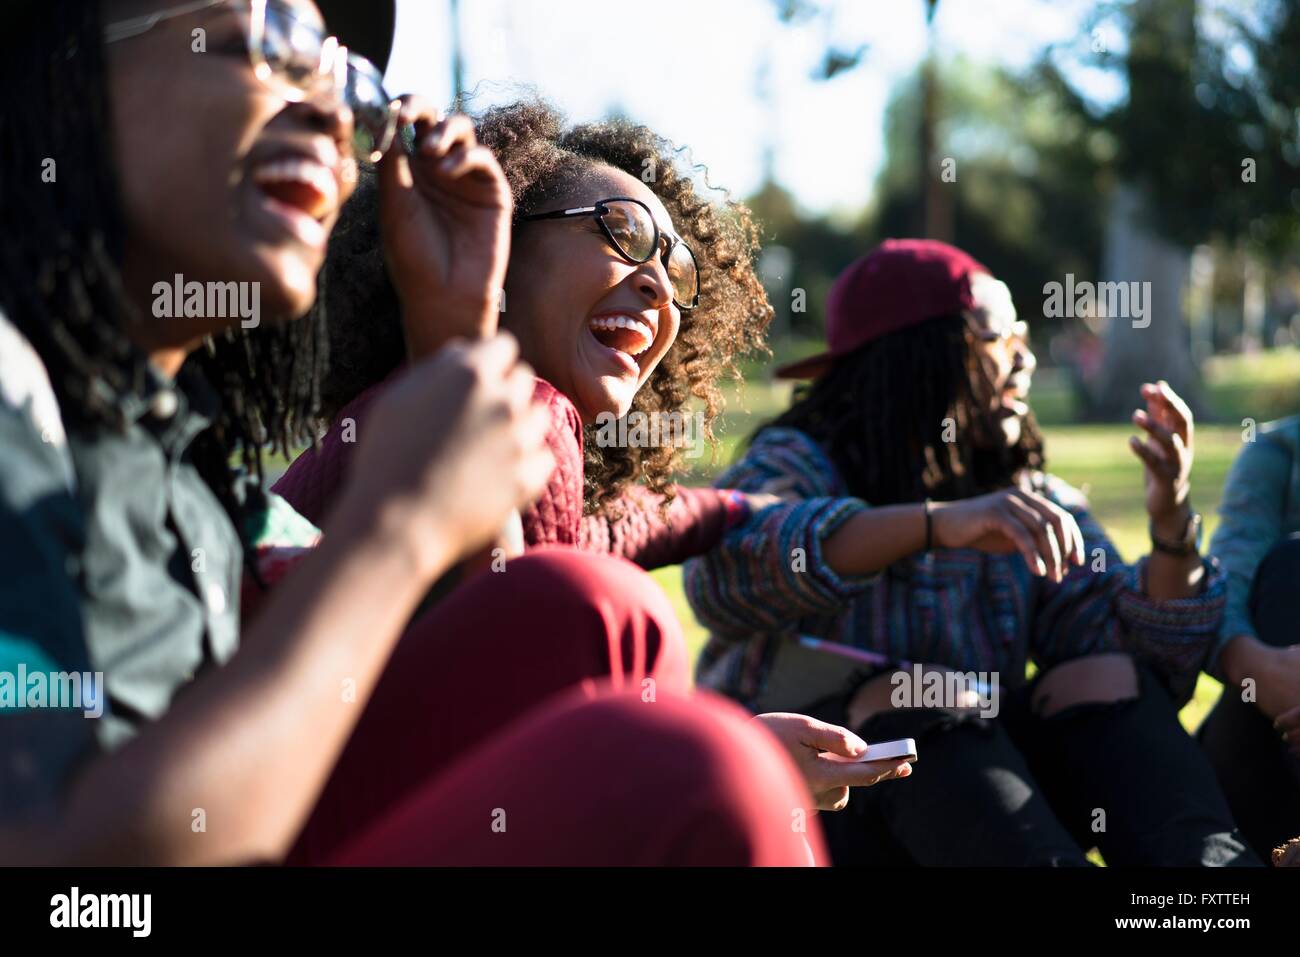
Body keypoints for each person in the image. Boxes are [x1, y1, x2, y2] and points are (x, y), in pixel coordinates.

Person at [0, 0, 852, 866]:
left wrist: (450, 331)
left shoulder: (188, 462)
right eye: (271, 40)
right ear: (64, 64)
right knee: (693, 767)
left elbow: (519, 635)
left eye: (348, 83)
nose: (329, 113)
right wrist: (398, 529)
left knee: (597, 619)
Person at [684, 238, 1260, 866]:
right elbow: (723, 573)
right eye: (995, 338)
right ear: (915, 357)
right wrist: (940, 524)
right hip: (819, 814)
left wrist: (1170, 521)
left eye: (1023, 335)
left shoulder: (1022, 496)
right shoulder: (799, 463)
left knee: (1103, 677)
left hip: (980, 808)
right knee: (919, 692)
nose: (1026, 359)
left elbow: (1148, 664)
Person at [1198, 414, 1300, 859]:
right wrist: (1268, 671)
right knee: (1291, 568)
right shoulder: (1279, 452)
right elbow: (1222, 594)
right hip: (1271, 727)